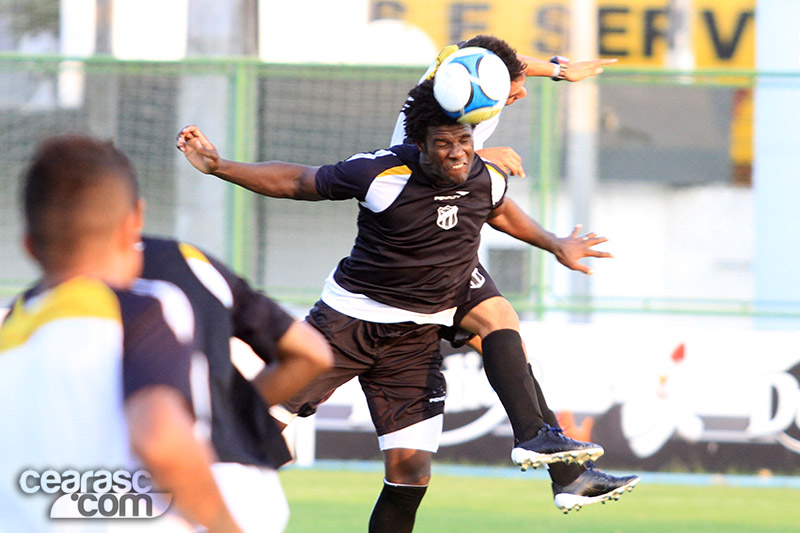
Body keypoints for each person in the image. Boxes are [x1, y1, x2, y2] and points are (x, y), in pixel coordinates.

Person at [177, 79, 606, 532]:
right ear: (419, 144)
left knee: (410, 475)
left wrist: (555, 243)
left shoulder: (484, 175)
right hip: (346, 327)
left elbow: (498, 208)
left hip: (413, 345)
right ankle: (175, 500)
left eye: (464, 141)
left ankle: (547, 451)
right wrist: (220, 166)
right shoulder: (380, 174)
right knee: (250, 434)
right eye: (443, 144)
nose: (457, 153)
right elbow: (298, 181)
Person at [392, 34, 639, 513]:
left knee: (506, 341)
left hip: (440, 244)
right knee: (498, 329)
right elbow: (411, 162)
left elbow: (494, 56)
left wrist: (559, 70)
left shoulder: (466, 82)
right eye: (514, 87)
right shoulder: (442, 113)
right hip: (416, 247)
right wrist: (484, 156)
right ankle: (550, 455)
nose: (520, 93)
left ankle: (565, 471)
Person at [0, 134, 240, 531]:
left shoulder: (12, 335)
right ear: (134, 222)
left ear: (29, 245)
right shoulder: (141, 310)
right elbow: (161, 442)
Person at [140, 235, 333, 532]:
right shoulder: (190, 260)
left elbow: (156, 439)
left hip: (129, 482)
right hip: (242, 482)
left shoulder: (65, 294)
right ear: (134, 216)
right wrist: (229, 415)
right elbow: (311, 354)